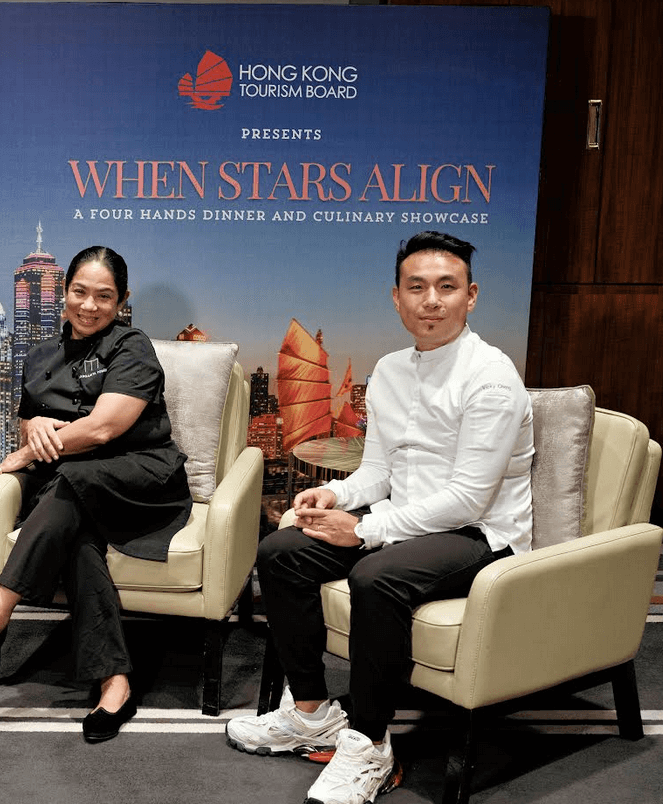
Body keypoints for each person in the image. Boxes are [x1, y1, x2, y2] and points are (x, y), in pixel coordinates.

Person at [226, 231, 534, 804]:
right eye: (416, 287)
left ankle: (370, 745)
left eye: (447, 287)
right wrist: (337, 498)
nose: (431, 300)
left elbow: (469, 498)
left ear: (472, 295)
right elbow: (379, 471)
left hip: (479, 535)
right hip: (404, 520)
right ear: (397, 298)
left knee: (377, 577)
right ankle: (314, 712)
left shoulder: (491, 377)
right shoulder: (392, 369)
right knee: (280, 553)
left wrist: (365, 529)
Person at [0, 245, 193, 742]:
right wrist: (34, 428)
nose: (89, 306)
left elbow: (102, 429)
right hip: (71, 486)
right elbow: (29, 416)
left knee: (74, 479)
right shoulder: (39, 356)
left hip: (140, 477)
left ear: (122, 301)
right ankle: (115, 683)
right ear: (64, 293)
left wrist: (31, 452)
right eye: (79, 292)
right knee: (79, 541)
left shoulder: (132, 347)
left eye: (104, 297)